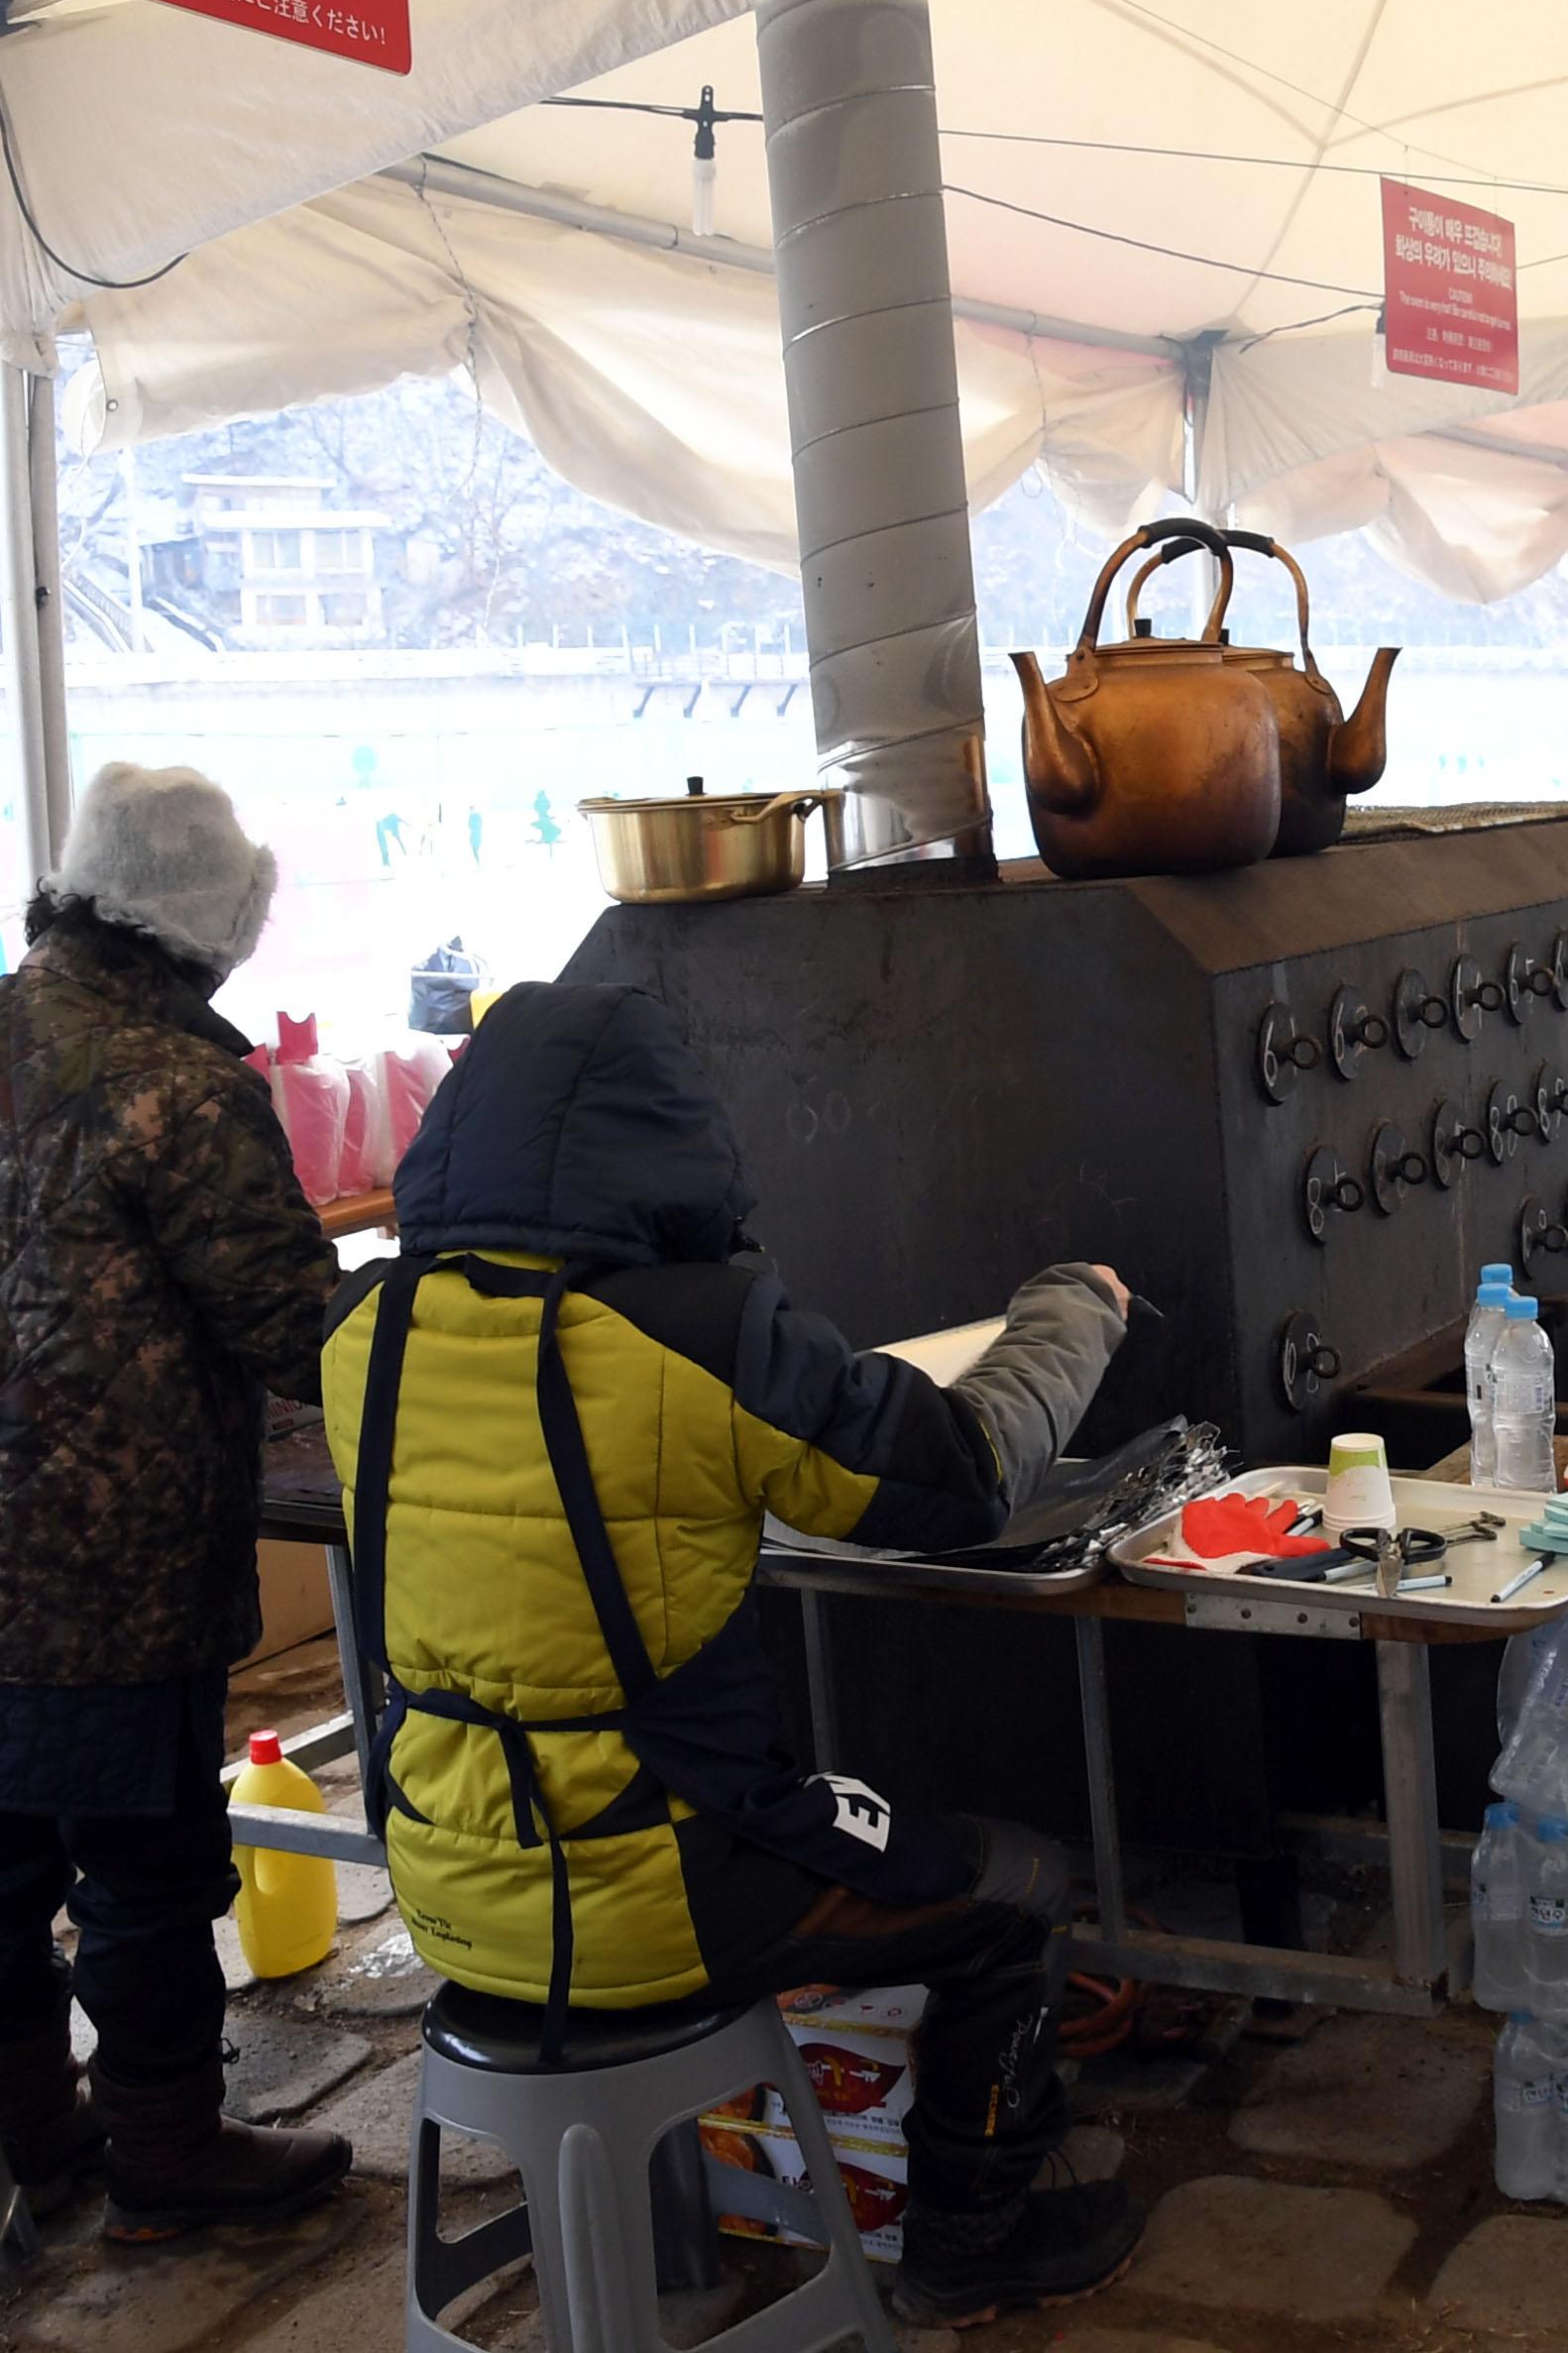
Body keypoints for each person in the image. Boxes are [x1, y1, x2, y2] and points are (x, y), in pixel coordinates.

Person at [321, 980, 1142, 2330]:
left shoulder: (367, 1335)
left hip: (444, 1878)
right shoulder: (696, 1334)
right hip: (652, 1884)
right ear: (671, 1136)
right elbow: (964, 1469)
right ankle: (973, 2241)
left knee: (824, 1827)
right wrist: (1074, 1308)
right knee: (1020, 1893)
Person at [0, 763, 356, 2242]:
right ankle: (169, 2152)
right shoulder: (178, 1087)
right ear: (208, 928)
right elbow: (296, 1330)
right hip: (90, 1566)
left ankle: (34, 2140)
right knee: (153, 1860)